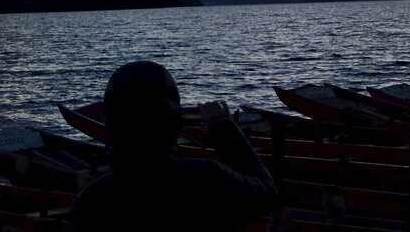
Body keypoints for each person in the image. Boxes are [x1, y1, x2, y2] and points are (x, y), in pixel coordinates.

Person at [69, 61, 279, 231]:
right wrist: (224, 130)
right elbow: (267, 193)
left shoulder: (92, 202)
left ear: (111, 128)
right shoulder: (206, 178)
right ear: (172, 124)